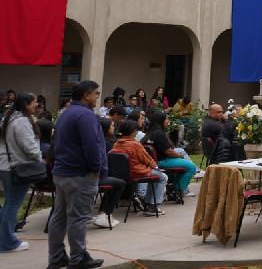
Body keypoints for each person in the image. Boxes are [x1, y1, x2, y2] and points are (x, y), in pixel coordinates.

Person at [48, 80, 106, 269]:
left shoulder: (65, 113)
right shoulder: (85, 115)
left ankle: (57, 258)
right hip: (80, 174)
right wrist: (96, 168)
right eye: (96, 94)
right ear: (86, 95)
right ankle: (78, 258)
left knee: (60, 216)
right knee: (78, 218)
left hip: (62, 172)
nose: (98, 97)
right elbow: (92, 145)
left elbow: (55, 143)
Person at [0, 91, 41, 253]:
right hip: (17, 168)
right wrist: (40, 159)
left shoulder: (9, 118)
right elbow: (30, 148)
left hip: (6, 166)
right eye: (35, 102)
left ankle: (5, 238)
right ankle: (8, 242)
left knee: (9, 203)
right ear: (26, 104)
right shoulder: (22, 121)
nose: (37, 105)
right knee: (12, 205)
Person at [111, 120, 167, 216]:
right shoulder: (135, 144)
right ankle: (152, 206)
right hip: (137, 172)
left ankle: (147, 203)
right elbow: (147, 159)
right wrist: (157, 168)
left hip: (123, 174)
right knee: (163, 177)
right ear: (133, 131)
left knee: (157, 175)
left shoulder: (116, 143)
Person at [144, 110, 197, 198]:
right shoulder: (159, 134)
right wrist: (180, 157)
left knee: (184, 166)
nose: (168, 121)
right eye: (166, 119)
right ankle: (178, 190)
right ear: (160, 120)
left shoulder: (150, 132)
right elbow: (168, 152)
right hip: (162, 161)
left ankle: (174, 189)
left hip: (155, 161)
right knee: (191, 167)